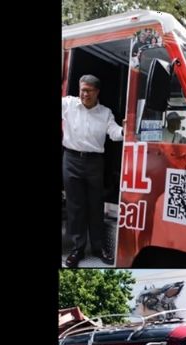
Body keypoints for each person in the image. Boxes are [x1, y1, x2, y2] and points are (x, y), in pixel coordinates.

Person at [62, 74, 123, 267]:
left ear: (97, 92)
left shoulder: (105, 113)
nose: (84, 94)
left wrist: (125, 131)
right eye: (82, 90)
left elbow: (114, 133)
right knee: (75, 206)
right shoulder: (69, 104)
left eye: (88, 91)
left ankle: (98, 248)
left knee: (96, 206)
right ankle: (78, 248)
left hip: (94, 162)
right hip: (71, 158)